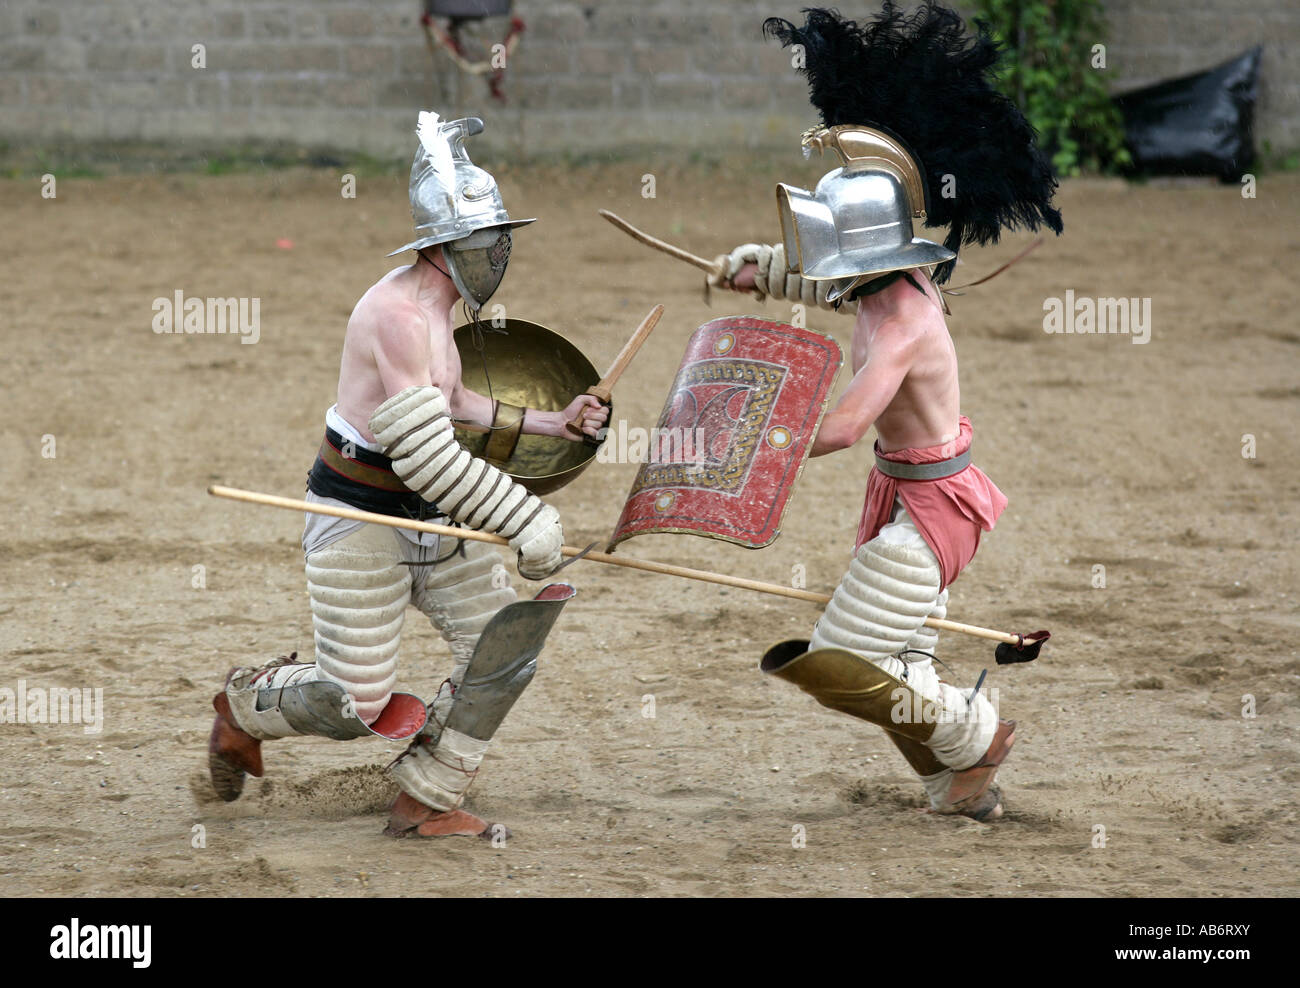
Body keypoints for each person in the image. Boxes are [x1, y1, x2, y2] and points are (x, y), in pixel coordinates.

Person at [207, 111, 608, 839]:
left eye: (500, 239)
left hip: (431, 514)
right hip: (362, 515)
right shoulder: (398, 314)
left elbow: (452, 404)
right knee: (350, 704)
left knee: (505, 646)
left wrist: (556, 421)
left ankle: (425, 800)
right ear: (445, 245)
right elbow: (427, 454)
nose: (498, 253)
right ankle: (244, 707)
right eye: (486, 241)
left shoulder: (437, 306)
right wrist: (525, 519)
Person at [716, 5, 1062, 820]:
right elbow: (824, 282)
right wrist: (758, 270)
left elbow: (839, 427)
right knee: (901, 667)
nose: (828, 273)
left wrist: (760, 439)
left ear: (868, 255)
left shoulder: (906, 322)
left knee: (839, 661)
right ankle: (959, 784)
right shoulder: (886, 285)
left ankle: (975, 736)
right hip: (905, 498)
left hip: (934, 513)